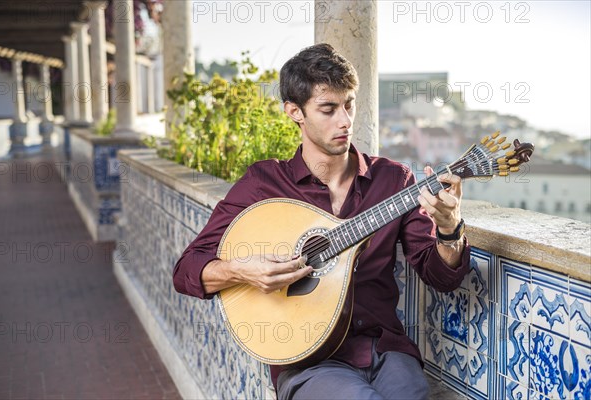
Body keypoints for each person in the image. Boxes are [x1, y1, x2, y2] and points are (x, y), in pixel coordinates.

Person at [173, 43, 471, 400]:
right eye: (328, 109)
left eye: (349, 105)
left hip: (385, 349)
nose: (345, 121)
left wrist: (450, 228)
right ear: (295, 112)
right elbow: (186, 270)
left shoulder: (393, 182)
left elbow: (441, 277)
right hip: (307, 361)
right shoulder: (264, 184)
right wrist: (241, 271)